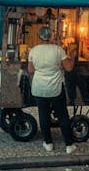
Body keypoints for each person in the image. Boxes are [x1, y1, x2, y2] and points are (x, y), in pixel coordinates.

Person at [28, 26, 77, 154]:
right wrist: (72, 55)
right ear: (52, 36)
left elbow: (30, 70)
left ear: (39, 36)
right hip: (55, 88)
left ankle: (48, 143)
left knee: (43, 115)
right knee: (62, 115)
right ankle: (69, 145)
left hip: (39, 88)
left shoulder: (33, 51)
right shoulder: (58, 50)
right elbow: (69, 68)